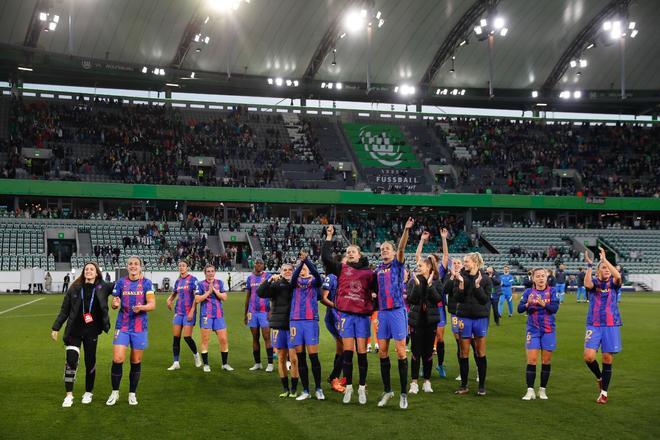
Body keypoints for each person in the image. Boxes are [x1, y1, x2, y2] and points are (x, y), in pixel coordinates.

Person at [322, 224, 375, 405]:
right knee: (347, 353)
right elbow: (326, 258)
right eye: (348, 251)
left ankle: (361, 388)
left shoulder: (368, 273)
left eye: (353, 251)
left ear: (359, 255)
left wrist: (372, 299)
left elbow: (376, 291)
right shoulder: (342, 269)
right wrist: (329, 236)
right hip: (346, 316)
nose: (350, 253)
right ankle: (349, 388)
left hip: (361, 317)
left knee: (362, 354)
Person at [51, 262, 113, 407]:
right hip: (74, 330)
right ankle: (69, 395)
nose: (89, 271)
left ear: (97, 272)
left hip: (92, 331)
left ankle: (88, 392)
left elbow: (123, 286)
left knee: (90, 362)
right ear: (83, 272)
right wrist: (56, 327)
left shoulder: (103, 287)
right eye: (86, 269)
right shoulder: (74, 288)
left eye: (92, 269)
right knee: (71, 360)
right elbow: (64, 311)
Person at [106, 256, 156, 406]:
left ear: (141, 267)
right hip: (123, 325)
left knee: (136, 360)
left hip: (139, 327)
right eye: (130, 264)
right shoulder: (121, 282)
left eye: (136, 264)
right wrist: (115, 303)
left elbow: (152, 304)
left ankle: (132, 393)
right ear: (127, 267)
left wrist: (142, 307)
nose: (133, 266)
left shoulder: (146, 283)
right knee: (118, 359)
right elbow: (114, 304)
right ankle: (115, 392)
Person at [375, 217, 413, 410]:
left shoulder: (397, 264)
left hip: (397, 312)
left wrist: (406, 230)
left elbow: (401, 249)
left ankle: (404, 393)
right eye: (382, 249)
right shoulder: (378, 268)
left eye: (386, 249)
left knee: (400, 352)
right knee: (382, 351)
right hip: (382, 313)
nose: (384, 251)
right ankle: (388, 390)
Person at [584, 247, 622, 404]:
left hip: (611, 324)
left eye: (608, 268)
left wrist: (605, 260)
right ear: (598, 272)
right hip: (594, 324)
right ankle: (599, 377)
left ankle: (604, 393)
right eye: (604, 268)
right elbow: (587, 284)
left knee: (607, 358)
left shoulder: (614, 283)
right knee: (589, 357)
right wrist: (590, 265)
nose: (607, 270)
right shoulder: (594, 282)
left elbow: (618, 276)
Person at [258, 264, 300, 398]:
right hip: (277, 325)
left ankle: (294, 389)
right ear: (281, 272)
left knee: (293, 359)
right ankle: (285, 388)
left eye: (290, 270)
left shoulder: (298, 284)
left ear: (294, 272)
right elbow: (260, 293)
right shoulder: (276, 284)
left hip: (293, 325)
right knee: (281, 358)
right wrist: (269, 280)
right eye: (285, 270)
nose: (287, 272)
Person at [453, 252, 492, 396]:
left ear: (475, 262)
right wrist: (461, 284)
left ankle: (481, 386)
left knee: (480, 352)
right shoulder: (460, 277)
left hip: (480, 318)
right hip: (464, 318)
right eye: (464, 261)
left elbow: (484, 300)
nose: (464, 264)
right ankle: (464, 386)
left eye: (467, 261)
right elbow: (457, 297)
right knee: (464, 353)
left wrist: (476, 286)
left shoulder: (486, 279)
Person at [518, 268, 559, 400]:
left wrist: (543, 304)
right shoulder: (528, 292)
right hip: (533, 329)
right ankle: (530, 390)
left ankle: (542, 390)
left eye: (543, 276)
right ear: (533, 278)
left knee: (546, 360)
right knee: (532, 360)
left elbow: (554, 309)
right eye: (538, 276)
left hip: (548, 330)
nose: (541, 278)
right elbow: (520, 309)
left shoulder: (552, 291)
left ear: (547, 278)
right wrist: (527, 304)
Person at [414, 228, 450, 379]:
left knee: (440, 338)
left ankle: (440, 364)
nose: (428, 260)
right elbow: (417, 256)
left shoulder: (439, 272)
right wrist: (422, 240)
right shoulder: (423, 271)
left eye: (431, 259)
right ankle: (424, 365)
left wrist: (443, 238)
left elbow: (446, 256)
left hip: (438, 308)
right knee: (423, 338)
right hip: (424, 308)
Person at [289, 253, 324, 401]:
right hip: (296, 321)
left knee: (313, 357)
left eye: (305, 268)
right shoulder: (294, 282)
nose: (303, 270)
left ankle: (318, 388)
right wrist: (300, 264)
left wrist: (307, 261)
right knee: (301, 357)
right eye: (301, 268)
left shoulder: (314, 282)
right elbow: (293, 278)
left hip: (310, 321)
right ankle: (305, 390)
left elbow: (318, 276)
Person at [407, 255, 443, 398]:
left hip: (430, 322)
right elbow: (411, 300)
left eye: (420, 266)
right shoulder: (413, 281)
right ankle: (414, 383)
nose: (418, 268)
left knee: (428, 353)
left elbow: (438, 300)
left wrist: (429, 286)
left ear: (428, 267)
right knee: (416, 353)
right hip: (416, 321)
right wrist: (416, 285)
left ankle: (427, 381)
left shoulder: (436, 281)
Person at [195, 264, 233, 372]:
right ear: (205, 273)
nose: (210, 273)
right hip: (206, 315)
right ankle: (206, 364)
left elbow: (224, 297)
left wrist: (215, 291)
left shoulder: (219, 283)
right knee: (205, 340)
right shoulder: (200, 284)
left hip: (218, 315)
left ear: (215, 272)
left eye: (212, 271)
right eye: (208, 271)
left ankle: (224, 364)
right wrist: (208, 292)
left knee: (223, 339)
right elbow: (197, 299)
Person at [165, 260, 202, 371]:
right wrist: (169, 300)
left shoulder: (193, 280)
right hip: (179, 312)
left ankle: (196, 355)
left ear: (187, 267)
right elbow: (174, 293)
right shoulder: (178, 281)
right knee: (176, 338)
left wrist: (192, 311)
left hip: (189, 312)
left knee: (187, 337)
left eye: (183, 266)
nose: (181, 267)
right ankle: (176, 362)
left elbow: (196, 298)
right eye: (180, 266)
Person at [244, 258, 273, 372]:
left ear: (264, 265)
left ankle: (270, 363)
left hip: (264, 311)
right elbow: (248, 297)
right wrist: (245, 313)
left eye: (261, 263)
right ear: (254, 265)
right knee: (255, 337)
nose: (259, 265)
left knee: (266, 336)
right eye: (257, 263)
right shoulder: (249, 278)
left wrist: (271, 310)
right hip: (252, 311)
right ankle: (257, 363)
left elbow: (272, 293)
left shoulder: (268, 276)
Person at [320, 270, 345, 393]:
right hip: (334, 317)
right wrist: (336, 306)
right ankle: (334, 377)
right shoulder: (331, 277)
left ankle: (341, 378)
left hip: (342, 316)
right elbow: (323, 298)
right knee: (347, 347)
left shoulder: (347, 276)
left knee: (341, 348)